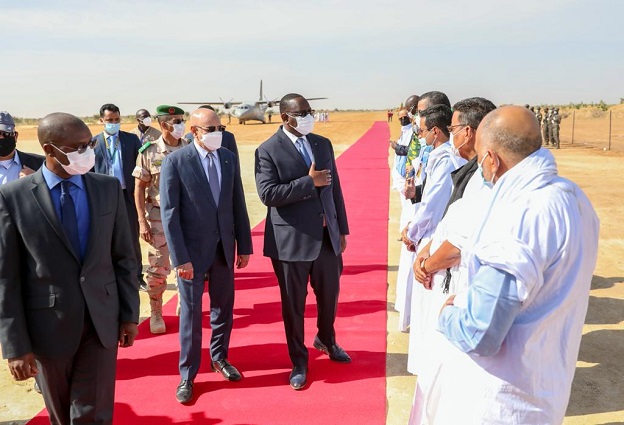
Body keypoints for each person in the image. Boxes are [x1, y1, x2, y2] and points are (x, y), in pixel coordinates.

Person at [409, 105, 599, 424]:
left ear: (491, 159)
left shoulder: (518, 214)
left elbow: (479, 332)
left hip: (494, 401)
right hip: (545, 386)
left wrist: (446, 312)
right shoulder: (576, 199)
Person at [0, 112, 139, 424]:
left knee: (93, 415)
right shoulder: (13, 197)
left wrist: (130, 315)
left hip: (102, 321)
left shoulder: (107, 188)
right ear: (50, 150)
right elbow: (6, 278)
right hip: (48, 328)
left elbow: (124, 257)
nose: (87, 152)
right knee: (62, 415)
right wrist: (15, 346)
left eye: (89, 144)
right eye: (78, 147)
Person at [255, 93, 350, 391]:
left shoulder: (322, 143)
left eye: (310, 111)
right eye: (303, 113)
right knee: (294, 305)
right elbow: (268, 194)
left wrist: (341, 229)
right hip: (291, 242)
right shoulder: (267, 150)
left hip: (325, 237)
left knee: (329, 295)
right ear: (286, 117)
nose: (309, 116)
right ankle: (299, 360)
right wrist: (309, 182)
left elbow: (335, 190)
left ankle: (326, 339)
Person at [160, 107, 252, 404]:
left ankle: (220, 358)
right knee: (190, 315)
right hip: (191, 254)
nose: (217, 134)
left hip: (224, 249)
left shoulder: (227, 157)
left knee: (223, 309)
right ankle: (188, 374)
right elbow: (170, 215)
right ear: (194, 130)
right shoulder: (176, 161)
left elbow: (237, 202)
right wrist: (179, 258)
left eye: (219, 128)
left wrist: (245, 245)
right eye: (210, 129)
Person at [401, 104, 467, 374]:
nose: (420, 134)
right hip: (433, 234)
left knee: (429, 305)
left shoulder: (446, 159)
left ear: (436, 131)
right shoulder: (441, 156)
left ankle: (426, 367)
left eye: (423, 130)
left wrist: (412, 233)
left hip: (435, 236)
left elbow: (432, 206)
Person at [133, 105, 190, 334]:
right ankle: (156, 310)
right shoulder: (148, 151)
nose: (180, 124)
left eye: (181, 120)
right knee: (158, 267)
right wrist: (142, 221)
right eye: (175, 121)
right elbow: (139, 188)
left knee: (186, 264)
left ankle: (184, 304)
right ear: (164, 124)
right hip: (159, 217)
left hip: (187, 216)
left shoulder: (189, 148)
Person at [93, 104, 145, 292]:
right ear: (101, 121)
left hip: (127, 195)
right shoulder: (93, 143)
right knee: (106, 237)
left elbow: (141, 165)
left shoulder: (131, 140)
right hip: (104, 198)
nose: (113, 123)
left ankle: (137, 276)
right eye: (109, 121)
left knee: (131, 236)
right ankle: (111, 275)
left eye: (116, 120)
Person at [0, 111, 44, 185]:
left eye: (6, 133)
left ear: (16, 136)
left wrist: (38, 181)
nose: (1, 138)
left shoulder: (40, 164)